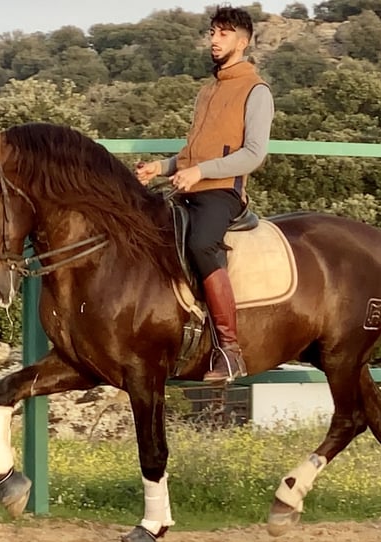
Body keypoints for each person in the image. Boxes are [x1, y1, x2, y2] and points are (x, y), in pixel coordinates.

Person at [135, 5, 275, 384]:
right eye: (212, 32)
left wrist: (200, 172)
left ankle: (229, 351)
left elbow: (253, 155)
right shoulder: (207, 90)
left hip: (223, 193)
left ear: (242, 42)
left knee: (200, 244)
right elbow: (192, 152)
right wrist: (161, 168)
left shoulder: (256, 90)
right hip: (189, 186)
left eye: (223, 33)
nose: (214, 39)